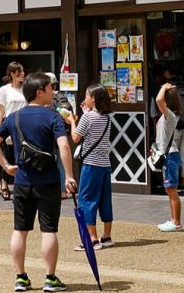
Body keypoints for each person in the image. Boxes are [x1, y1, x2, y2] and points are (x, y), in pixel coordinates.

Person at [0, 72, 76, 293]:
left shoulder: (14, 117)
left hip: (22, 181)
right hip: (48, 181)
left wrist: (7, 167)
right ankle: (50, 278)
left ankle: (20, 278)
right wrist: (70, 175)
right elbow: (64, 147)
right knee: (49, 230)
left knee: (20, 229)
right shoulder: (53, 117)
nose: (53, 92)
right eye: (49, 89)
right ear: (39, 92)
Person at [70, 84, 113, 249]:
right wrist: (85, 113)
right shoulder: (106, 117)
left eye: (87, 96)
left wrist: (72, 122)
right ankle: (106, 236)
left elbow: (75, 138)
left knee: (86, 200)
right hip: (104, 164)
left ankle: (92, 239)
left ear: (93, 98)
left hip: (91, 165)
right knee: (104, 200)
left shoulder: (88, 118)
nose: (85, 98)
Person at [0, 62, 27, 201]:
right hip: (8, 123)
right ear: (12, 74)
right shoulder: (4, 90)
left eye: (23, 71)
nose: (23, 74)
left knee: (21, 154)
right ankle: (4, 182)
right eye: (20, 72)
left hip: (24, 124)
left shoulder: (26, 89)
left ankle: (21, 183)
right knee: (6, 155)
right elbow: (1, 111)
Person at [154, 83, 184, 231]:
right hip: (169, 155)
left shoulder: (170, 115)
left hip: (170, 156)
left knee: (172, 190)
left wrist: (164, 87)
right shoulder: (170, 115)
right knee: (170, 189)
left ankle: (176, 222)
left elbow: (158, 100)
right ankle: (173, 220)